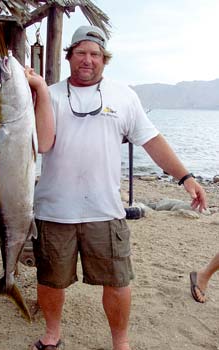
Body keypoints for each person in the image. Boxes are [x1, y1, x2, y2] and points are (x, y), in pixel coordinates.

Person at [25, 25, 207, 350]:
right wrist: (38, 88)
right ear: (69, 57)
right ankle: (52, 334)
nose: (87, 60)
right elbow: (44, 143)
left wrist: (186, 177)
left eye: (95, 54)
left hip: (106, 211)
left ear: (104, 60)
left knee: (118, 281)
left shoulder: (124, 96)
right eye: (80, 52)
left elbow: (151, 141)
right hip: (54, 210)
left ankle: (120, 343)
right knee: (50, 280)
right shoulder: (49, 94)